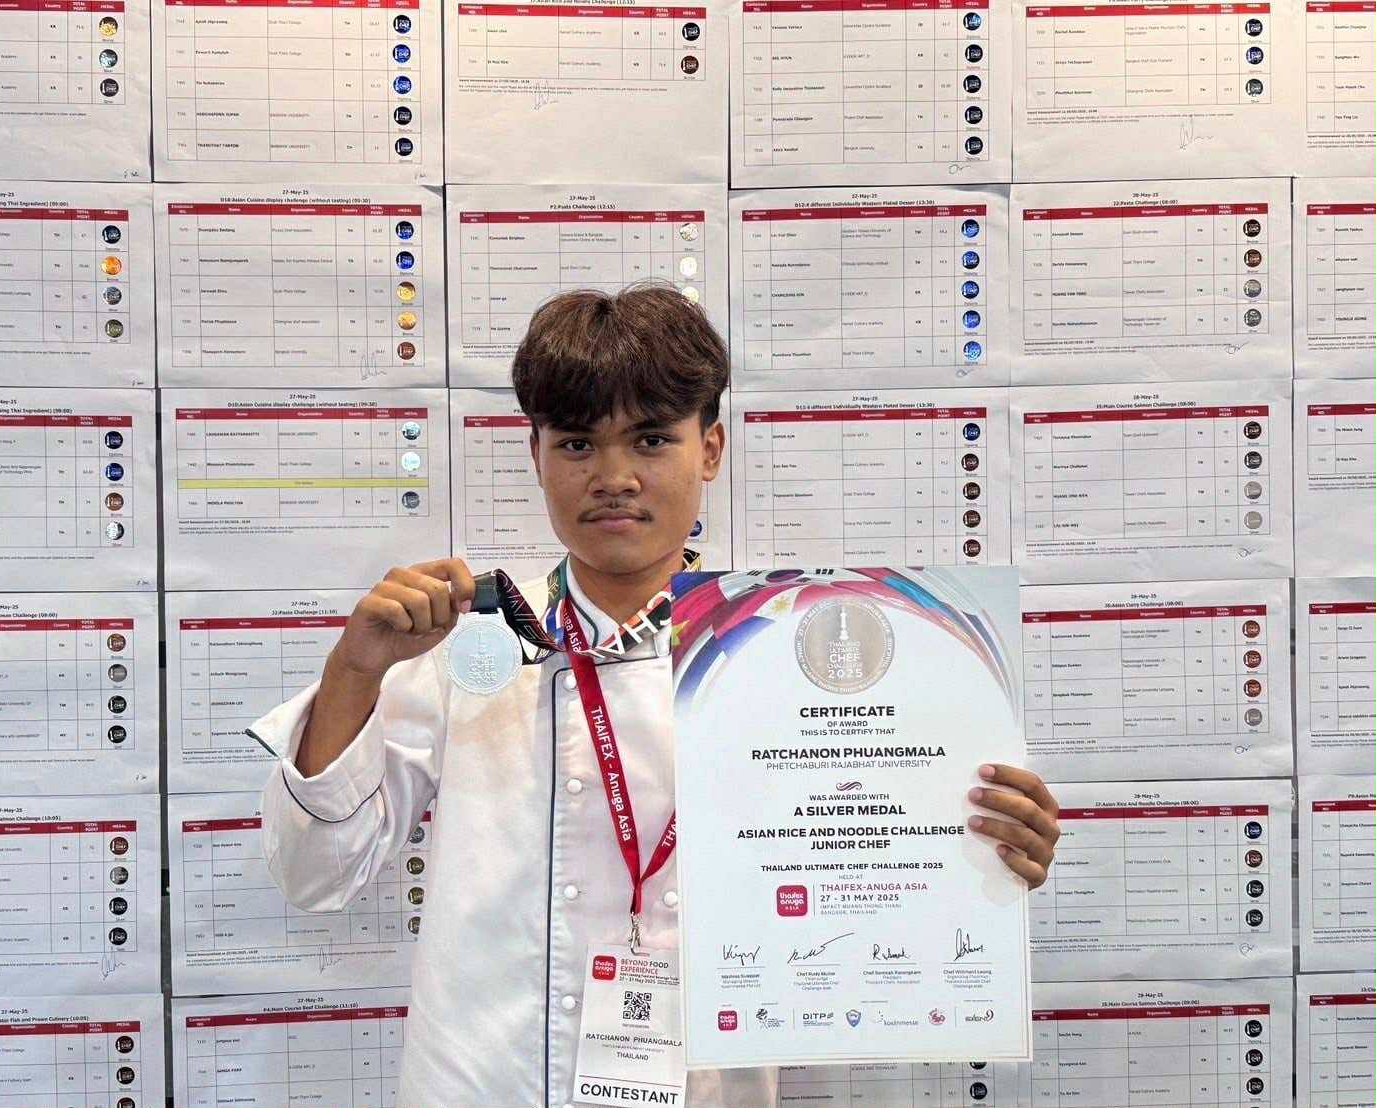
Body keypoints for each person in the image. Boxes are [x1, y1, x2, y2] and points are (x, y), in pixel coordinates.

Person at [251, 283, 1062, 1108]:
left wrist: (973, 854)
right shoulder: (467, 643)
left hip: (703, 1088)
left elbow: (868, 870)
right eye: (576, 444)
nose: (613, 477)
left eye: (650, 439)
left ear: (708, 449)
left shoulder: (786, 659)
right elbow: (314, 876)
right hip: (481, 1084)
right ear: (535, 454)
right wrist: (354, 671)